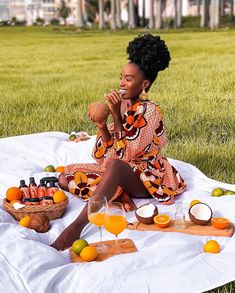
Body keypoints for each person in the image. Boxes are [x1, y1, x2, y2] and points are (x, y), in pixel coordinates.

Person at [51, 34, 186, 251]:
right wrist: (103, 126)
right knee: (64, 177)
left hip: (146, 175)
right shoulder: (121, 105)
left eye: (129, 79)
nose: (122, 82)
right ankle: (119, 194)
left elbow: (124, 156)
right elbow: (102, 156)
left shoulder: (149, 111)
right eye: (121, 77)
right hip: (120, 170)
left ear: (144, 84)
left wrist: (115, 116)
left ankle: (75, 228)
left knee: (114, 168)